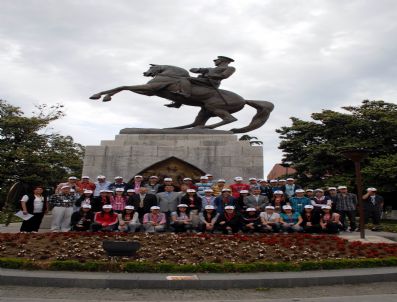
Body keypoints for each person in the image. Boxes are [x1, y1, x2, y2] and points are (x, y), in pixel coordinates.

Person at [171, 55, 235, 100]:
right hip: (203, 81)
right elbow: (192, 70)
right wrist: (198, 70)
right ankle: (178, 103)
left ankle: (185, 93)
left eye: (216, 60)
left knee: (184, 79)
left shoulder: (230, 68)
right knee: (185, 84)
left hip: (212, 82)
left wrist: (209, 75)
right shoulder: (210, 69)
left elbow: (224, 76)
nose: (214, 61)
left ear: (222, 61)